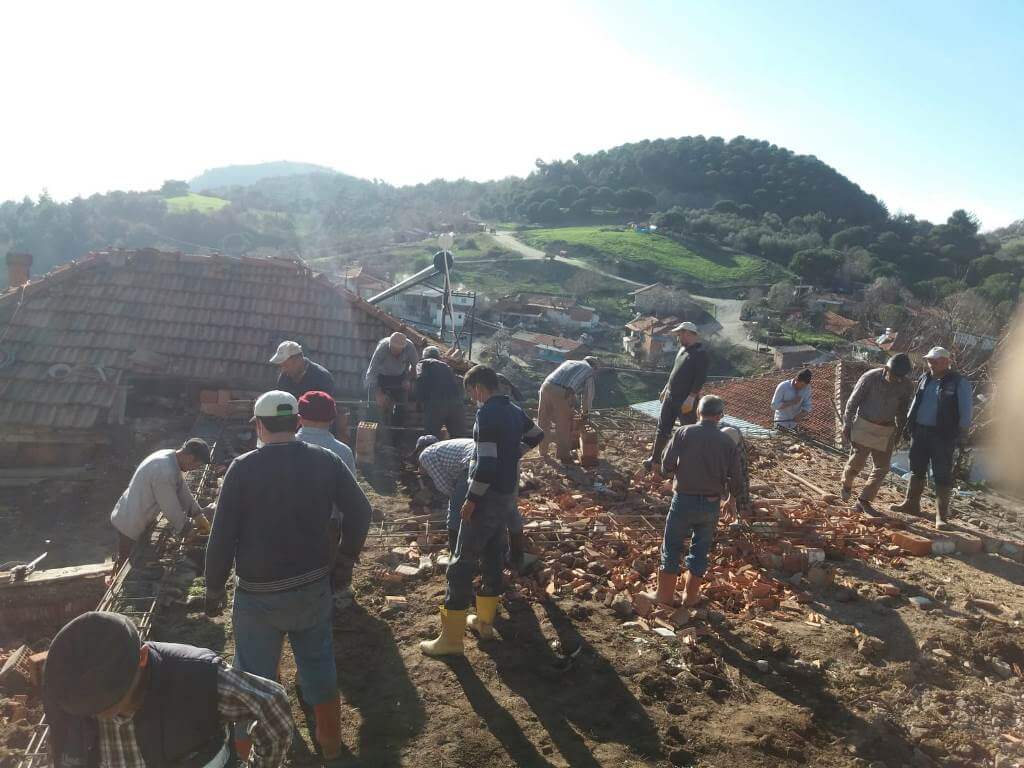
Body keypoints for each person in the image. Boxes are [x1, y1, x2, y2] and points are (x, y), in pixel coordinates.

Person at [205, 391, 372, 763]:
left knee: (253, 679)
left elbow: (221, 538)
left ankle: (248, 755)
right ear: (298, 423)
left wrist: (213, 588)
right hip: (312, 587)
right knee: (317, 663)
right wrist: (344, 561)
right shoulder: (325, 460)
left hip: (257, 596)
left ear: (259, 425)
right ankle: (330, 744)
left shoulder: (242, 468)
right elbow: (361, 511)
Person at [43, 611, 293, 768]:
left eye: (109, 703)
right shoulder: (65, 689)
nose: (98, 714)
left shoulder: (195, 678)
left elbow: (271, 701)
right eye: (90, 708)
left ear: (142, 657)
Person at [420, 365, 543, 657]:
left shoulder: (486, 414)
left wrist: (471, 499)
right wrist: (513, 454)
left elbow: (485, 464)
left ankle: (450, 640)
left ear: (477, 389)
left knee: (461, 563)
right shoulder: (513, 410)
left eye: (471, 394)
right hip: (505, 494)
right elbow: (537, 435)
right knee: (492, 553)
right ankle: (485, 622)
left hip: (486, 497)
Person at [649, 396, 742, 608]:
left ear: (698, 413)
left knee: (671, 546)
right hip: (711, 504)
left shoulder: (684, 432)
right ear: (720, 416)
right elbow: (737, 478)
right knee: (700, 550)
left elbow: (667, 463)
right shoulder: (727, 442)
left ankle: (663, 596)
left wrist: (670, 472)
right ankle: (690, 598)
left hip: (683, 500)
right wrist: (731, 498)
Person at [891, 347, 973, 530]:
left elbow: (966, 411)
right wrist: (908, 425)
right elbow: (915, 402)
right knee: (916, 469)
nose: (931, 363)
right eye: (929, 360)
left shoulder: (958, 382)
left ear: (946, 361)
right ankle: (911, 504)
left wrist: (963, 434)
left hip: (943, 435)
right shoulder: (925, 378)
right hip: (920, 432)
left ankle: (941, 516)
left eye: (934, 360)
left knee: (941, 475)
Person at [110, 439, 213, 570]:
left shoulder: (170, 458)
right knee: (126, 563)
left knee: (135, 556)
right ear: (191, 458)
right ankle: (116, 576)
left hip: (138, 514)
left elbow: (181, 489)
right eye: (198, 465)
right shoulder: (164, 470)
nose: (196, 469)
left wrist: (198, 514)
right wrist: (186, 529)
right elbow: (170, 506)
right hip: (130, 520)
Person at [839, 353, 915, 515]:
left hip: (886, 429)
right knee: (856, 463)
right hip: (864, 425)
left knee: (882, 467)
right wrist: (847, 424)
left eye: (900, 377)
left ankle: (864, 500)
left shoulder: (906, 385)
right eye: (894, 375)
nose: (896, 379)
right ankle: (847, 483)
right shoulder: (870, 378)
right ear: (886, 369)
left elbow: (902, 411)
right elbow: (853, 402)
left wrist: (900, 432)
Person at [643, 323, 708, 472]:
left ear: (688, 333)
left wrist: (691, 397)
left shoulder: (700, 353)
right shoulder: (682, 350)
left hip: (685, 399)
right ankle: (655, 459)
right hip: (671, 396)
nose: (678, 338)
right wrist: (666, 388)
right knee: (662, 428)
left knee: (687, 432)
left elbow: (700, 378)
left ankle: (686, 465)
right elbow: (675, 371)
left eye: (680, 335)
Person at [413, 434, 476, 554]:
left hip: (472, 463)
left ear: (420, 449)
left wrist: (454, 498)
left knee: (455, 509)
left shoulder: (425, 455)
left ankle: (455, 552)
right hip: (488, 457)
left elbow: (444, 485)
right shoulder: (446, 448)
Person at [537, 356, 599, 463]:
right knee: (564, 425)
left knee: (543, 421)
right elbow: (587, 395)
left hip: (545, 386)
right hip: (561, 392)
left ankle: (542, 452)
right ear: (594, 366)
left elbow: (570, 387)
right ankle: (563, 455)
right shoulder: (589, 370)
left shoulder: (570, 362)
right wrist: (585, 413)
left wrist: (572, 403)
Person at [364, 332, 419, 425]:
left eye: (397, 350)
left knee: (402, 407)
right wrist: (378, 393)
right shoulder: (382, 348)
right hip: (381, 377)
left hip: (400, 377)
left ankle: (397, 434)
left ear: (403, 348)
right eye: (392, 349)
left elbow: (416, 367)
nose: (394, 352)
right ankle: (372, 428)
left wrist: (408, 380)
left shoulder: (410, 347)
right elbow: (371, 371)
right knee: (373, 406)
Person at [296, 390, 355, 474]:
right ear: (332, 419)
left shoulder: (284, 447)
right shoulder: (344, 451)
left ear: (299, 418)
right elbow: (350, 486)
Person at [415, 346, 465, 438]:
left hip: (436, 404)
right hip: (456, 405)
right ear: (438, 356)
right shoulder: (446, 366)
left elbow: (420, 380)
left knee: (430, 437)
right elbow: (456, 385)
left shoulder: (423, 363)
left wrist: (419, 402)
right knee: (457, 438)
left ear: (424, 356)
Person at [271, 340, 335, 399]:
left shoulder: (323, 378)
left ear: (299, 359)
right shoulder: (284, 377)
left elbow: (324, 408)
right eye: (281, 366)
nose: (283, 370)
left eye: (286, 365)